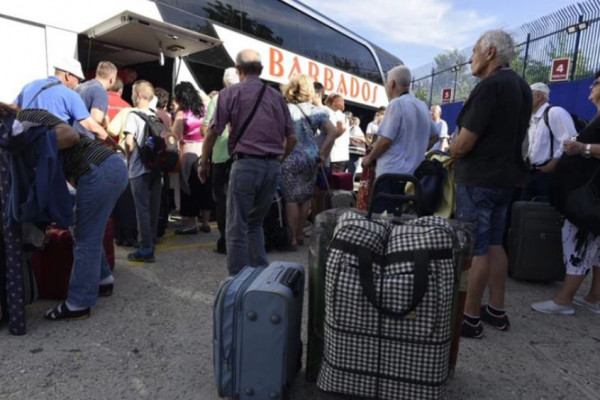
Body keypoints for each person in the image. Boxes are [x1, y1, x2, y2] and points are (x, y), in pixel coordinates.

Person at [4, 105, 128, 320]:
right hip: (104, 168)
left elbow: (70, 136)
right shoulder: (22, 122)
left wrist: (31, 145)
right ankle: (103, 280)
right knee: (82, 229)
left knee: (85, 237)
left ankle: (78, 303)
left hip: (96, 169)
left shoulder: (26, 117)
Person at [449, 30, 532, 338]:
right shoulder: (521, 86)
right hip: (506, 180)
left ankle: (469, 318)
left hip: (480, 179)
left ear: (491, 52)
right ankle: (496, 310)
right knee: (495, 243)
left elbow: (465, 142)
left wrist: (451, 150)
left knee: (477, 248)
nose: (470, 58)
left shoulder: (490, 86)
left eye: (474, 51)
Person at [198, 49, 297, 275]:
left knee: (236, 225)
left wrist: (204, 162)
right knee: (255, 223)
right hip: (272, 167)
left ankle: (238, 281)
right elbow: (292, 138)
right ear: (260, 71)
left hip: (245, 165)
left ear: (239, 70)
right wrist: (279, 159)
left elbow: (213, 132)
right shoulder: (277, 97)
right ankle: (260, 274)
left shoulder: (229, 94)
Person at [531, 71, 600, 315]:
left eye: (597, 83)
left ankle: (564, 301)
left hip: (589, 196)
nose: (592, 86)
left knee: (578, 241)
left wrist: (583, 147)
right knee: (594, 247)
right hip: (588, 192)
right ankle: (593, 297)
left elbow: (585, 148)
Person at [361, 65, 438, 213]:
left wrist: (369, 158)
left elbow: (385, 140)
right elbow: (435, 136)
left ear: (392, 84)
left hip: (391, 175)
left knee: (382, 220)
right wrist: (417, 149)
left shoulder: (396, 104)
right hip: (414, 176)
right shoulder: (421, 105)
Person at [281, 74, 339, 248]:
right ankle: (299, 235)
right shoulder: (316, 111)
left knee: (291, 198)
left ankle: (291, 238)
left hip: (291, 155)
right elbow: (334, 131)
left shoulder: (286, 109)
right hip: (311, 157)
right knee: (305, 197)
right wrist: (322, 153)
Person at [13, 58, 112, 144]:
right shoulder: (69, 94)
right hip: (47, 150)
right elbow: (92, 126)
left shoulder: (30, 85)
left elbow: (13, 108)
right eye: (78, 79)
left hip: (22, 145)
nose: (78, 83)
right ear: (68, 75)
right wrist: (113, 144)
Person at [123, 80, 161, 263]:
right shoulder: (156, 116)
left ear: (138, 95)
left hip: (139, 168)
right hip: (156, 168)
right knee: (153, 208)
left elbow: (129, 143)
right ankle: (151, 241)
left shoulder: (133, 115)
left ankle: (145, 248)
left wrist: (128, 160)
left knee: (142, 210)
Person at [203, 68, 239, 254]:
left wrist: (204, 159)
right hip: (241, 156)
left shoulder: (217, 99)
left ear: (224, 83)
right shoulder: (245, 98)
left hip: (220, 157)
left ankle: (226, 241)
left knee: (223, 200)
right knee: (239, 199)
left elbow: (208, 130)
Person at [170, 81, 212, 234]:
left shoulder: (182, 113)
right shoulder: (205, 109)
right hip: (206, 150)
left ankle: (191, 223)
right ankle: (206, 222)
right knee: (205, 185)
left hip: (188, 151)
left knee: (189, 187)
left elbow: (176, 135)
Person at [522, 82, 577, 201]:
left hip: (548, 175)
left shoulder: (555, 112)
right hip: (532, 173)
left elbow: (572, 139)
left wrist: (553, 163)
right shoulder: (533, 119)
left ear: (538, 96)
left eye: (526, 95)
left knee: (543, 212)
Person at [75, 61, 117, 127]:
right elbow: (96, 119)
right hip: (82, 134)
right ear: (112, 79)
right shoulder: (100, 91)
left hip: (69, 131)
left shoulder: (80, 86)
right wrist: (105, 120)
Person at [325, 94, 350, 172]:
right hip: (342, 154)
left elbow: (341, 128)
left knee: (331, 182)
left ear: (332, 103)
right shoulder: (343, 115)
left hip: (335, 155)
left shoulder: (337, 113)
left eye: (327, 104)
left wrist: (330, 139)